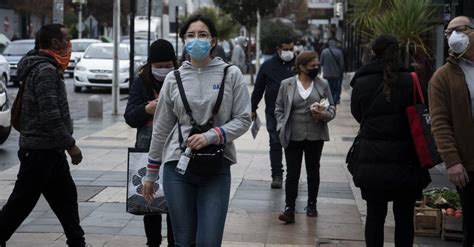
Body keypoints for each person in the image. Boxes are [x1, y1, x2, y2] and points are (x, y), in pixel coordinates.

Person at [142, 14, 251, 246]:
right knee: (183, 241)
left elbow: (243, 119)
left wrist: (212, 135)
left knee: (209, 241)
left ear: (213, 41)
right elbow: (160, 129)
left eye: (202, 35)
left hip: (216, 167)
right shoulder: (174, 78)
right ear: (183, 40)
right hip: (177, 168)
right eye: (190, 35)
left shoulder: (231, 75)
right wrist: (150, 175)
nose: (196, 40)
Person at [0, 24, 86, 247]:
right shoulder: (46, 70)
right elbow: (50, 115)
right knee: (21, 203)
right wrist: (71, 146)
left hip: (49, 150)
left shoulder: (43, 67)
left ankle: (77, 242)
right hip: (40, 151)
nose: (69, 44)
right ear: (55, 43)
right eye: (66, 39)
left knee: (66, 198)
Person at [349, 35, 431, 246]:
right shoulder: (410, 80)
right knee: (404, 217)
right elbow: (421, 113)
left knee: (375, 216)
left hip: (372, 160)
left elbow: (358, 114)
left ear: (373, 52)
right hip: (406, 160)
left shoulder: (361, 81)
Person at [124, 39, 176, 247]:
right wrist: (147, 109)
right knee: (150, 199)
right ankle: (152, 242)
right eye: (159, 66)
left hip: (174, 149)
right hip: (147, 148)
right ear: (150, 64)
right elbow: (129, 117)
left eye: (167, 65)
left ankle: (175, 242)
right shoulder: (141, 82)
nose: (163, 70)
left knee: (175, 201)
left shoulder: (180, 79)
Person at [275, 51, 336, 223]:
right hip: (292, 135)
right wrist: (281, 126)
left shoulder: (322, 84)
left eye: (317, 66)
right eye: (312, 66)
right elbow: (278, 108)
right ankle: (289, 208)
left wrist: (323, 115)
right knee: (292, 173)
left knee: (313, 171)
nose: (315, 69)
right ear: (301, 67)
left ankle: (312, 204)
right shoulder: (286, 84)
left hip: (315, 136)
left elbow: (332, 109)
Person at [429, 16, 474, 247]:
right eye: (449, 33)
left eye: (460, 30)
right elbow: (440, 122)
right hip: (468, 166)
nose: (454, 36)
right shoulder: (442, 77)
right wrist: (452, 161)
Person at [251, 37, 295, 189]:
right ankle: (277, 175)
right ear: (278, 49)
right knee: (275, 143)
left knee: (293, 145)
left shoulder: (298, 65)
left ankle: (292, 176)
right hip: (273, 111)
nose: (289, 52)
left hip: (295, 112)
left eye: (291, 49)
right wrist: (252, 107)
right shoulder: (268, 65)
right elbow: (258, 88)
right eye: (286, 49)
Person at [320, 39, 344, 105]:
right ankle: (334, 102)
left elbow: (321, 63)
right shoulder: (339, 52)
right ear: (336, 44)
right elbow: (341, 65)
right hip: (336, 75)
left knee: (327, 89)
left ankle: (329, 102)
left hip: (326, 74)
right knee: (335, 89)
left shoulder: (324, 52)